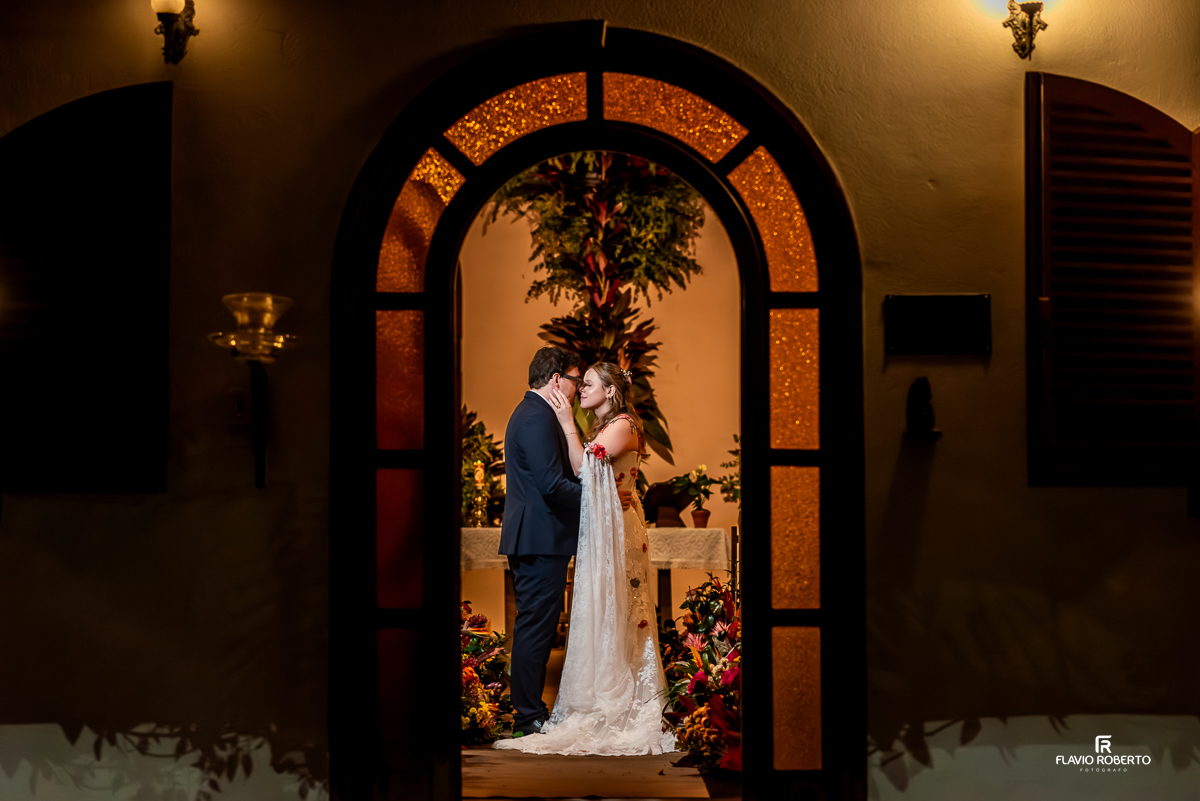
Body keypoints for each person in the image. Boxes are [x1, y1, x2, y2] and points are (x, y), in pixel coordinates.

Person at [496, 362, 676, 756]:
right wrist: (569, 426)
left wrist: (566, 423)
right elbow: (585, 476)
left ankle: (628, 701)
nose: (580, 390)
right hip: (600, 530)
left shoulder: (623, 424)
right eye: (580, 383)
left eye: (588, 384)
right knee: (601, 613)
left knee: (623, 613)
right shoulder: (598, 426)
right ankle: (592, 698)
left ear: (611, 391)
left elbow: (582, 468)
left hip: (620, 533)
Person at [498, 347, 633, 738]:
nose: (577, 389)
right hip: (539, 539)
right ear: (556, 379)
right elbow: (553, 486)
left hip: (540, 537)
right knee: (536, 628)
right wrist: (604, 499)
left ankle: (529, 711)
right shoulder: (537, 417)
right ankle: (527, 716)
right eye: (576, 380)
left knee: (536, 625)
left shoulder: (536, 413)